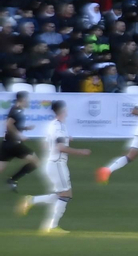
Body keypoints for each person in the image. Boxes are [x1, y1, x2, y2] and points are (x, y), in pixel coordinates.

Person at [16, 100, 89, 233]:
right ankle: (51, 226)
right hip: (57, 164)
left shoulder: (53, 125)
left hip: (53, 163)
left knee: (63, 194)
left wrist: (66, 139)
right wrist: (81, 152)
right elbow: (60, 147)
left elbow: (45, 144)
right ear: (62, 110)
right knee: (65, 195)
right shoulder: (59, 127)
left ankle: (32, 201)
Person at [3, 90, 40, 192]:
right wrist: (20, 135)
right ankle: (13, 179)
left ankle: (12, 180)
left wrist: (25, 128)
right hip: (14, 144)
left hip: (7, 144)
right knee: (36, 162)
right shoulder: (17, 111)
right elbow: (8, 124)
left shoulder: (15, 109)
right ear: (23, 99)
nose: (28, 101)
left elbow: (13, 125)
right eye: (27, 99)